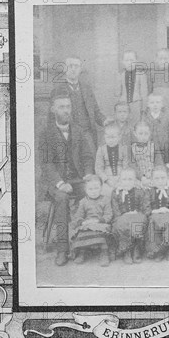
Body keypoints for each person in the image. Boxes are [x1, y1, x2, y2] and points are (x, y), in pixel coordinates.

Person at [40, 89, 95, 266]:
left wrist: (87, 173)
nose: (66, 110)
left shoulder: (78, 131)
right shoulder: (46, 133)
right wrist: (60, 183)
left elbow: (87, 156)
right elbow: (46, 164)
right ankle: (62, 249)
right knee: (62, 199)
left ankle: (84, 245)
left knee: (91, 194)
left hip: (77, 180)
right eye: (62, 107)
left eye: (68, 107)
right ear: (53, 110)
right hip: (56, 183)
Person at [51, 56, 106, 147]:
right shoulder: (58, 89)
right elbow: (52, 117)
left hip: (87, 133)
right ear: (65, 68)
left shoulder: (87, 89)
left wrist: (104, 121)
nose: (73, 69)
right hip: (69, 134)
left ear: (80, 69)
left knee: (91, 158)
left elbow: (96, 112)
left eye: (76, 66)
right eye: (70, 66)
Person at [69, 175, 113, 267]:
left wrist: (98, 221)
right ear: (85, 190)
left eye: (96, 188)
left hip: (100, 223)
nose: (93, 192)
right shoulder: (83, 202)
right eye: (90, 189)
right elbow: (78, 216)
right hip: (87, 223)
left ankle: (104, 253)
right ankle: (82, 252)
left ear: (101, 188)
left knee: (102, 231)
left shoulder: (105, 200)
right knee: (82, 231)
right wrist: (83, 222)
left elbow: (108, 215)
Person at [111, 168, 150, 264]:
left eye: (130, 179)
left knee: (138, 222)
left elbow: (145, 209)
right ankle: (126, 250)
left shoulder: (140, 191)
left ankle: (136, 249)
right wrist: (124, 215)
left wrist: (138, 214)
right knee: (122, 224)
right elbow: (116, 211)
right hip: (122, 218)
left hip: (137, 216)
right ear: (119, 181)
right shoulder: (116, 193)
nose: (127, 182)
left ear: (135, 181)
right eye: (124, 179)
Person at [94, 123, 130, 197]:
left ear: (119, 137)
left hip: (122, 177)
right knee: (106, 192)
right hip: (107, 179)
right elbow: (98, 168)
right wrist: (107, 180)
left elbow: (126, 166)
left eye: (113, 137)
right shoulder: (101, 150)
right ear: (104, 137)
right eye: (108, 137)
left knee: (126, 191)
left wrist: (121, 179)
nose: (111, 140)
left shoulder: (123, 148)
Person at [117, 50, 150, 121]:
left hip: (136, 104)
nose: (129, 62)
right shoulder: (121, 75)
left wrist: (143, 109)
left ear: (136, 61)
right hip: (124, 104)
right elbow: (117, 93)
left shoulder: (141, 74)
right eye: (126, 60)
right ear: (122, 61)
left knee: (136, 123)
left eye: (132, 60)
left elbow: (144, 93)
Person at [128, 121, 162, 186]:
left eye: (146, 134)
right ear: (135, 133)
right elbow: (132, 166)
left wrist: (154, 174)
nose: (143, 136)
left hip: (153, 176)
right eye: (140, 133)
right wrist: (141, 177)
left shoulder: (154, 146)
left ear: (150, 134)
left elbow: (159, 162)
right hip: (138, 178)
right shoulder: (132, 148)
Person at [150, 47, 169, 116]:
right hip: (156, 103)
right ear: (156, 59)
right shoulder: (152, 73)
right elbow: (149, 90)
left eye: (165, 59)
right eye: (160, 59)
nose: (163, 61)